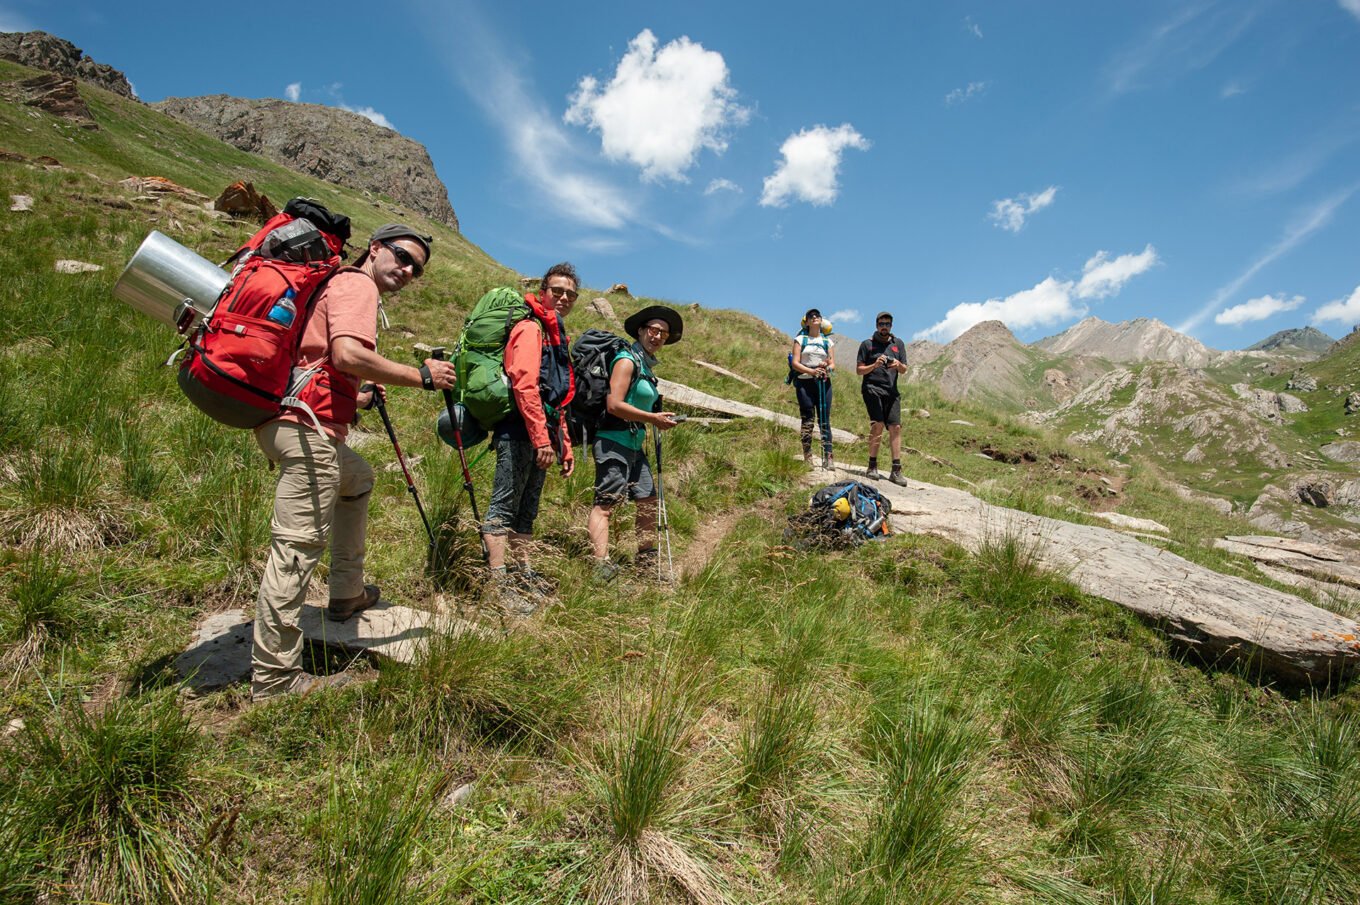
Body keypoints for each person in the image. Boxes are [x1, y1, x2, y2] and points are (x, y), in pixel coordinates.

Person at [252, 224, 456, 700]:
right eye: (403, 257)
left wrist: (360, 397)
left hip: (295, 423)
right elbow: (347, 354)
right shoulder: (357, 284)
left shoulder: (340, 284)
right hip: (307, 431)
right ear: (376, 248)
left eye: (417, 269)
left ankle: (346, 593)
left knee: (359, 478)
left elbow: (325, 359)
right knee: (296, 551)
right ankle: (275, 679)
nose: (407, 271)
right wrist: (421, 376)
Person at [481, 262, 577, 614]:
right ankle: (497, 584)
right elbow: (524, 384)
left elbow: (558, 399)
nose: (564, 297)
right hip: (519, 430)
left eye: (570, 293)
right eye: (557, 291)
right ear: (543, 292)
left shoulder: (556, 333)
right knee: (504, 504)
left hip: (543, 434)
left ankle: (521, 575)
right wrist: (540, 439)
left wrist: (561, 445)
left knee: (527, 510)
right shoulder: (530, 327)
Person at [587, 305, 683, 583]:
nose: (657, 336)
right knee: (605, 503)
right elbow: (614, 404)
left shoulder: (646, 367)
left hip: (633, 443)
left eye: (663, 334)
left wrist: (654, 418)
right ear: (641, 331)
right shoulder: (626, 360)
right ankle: (600, 566)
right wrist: (653, 418)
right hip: (612, 440)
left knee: (648, 501)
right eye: (653, 330)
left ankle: (645, 563)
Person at [856, 311, 909, 485]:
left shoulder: (898, 344)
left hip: (891, 391)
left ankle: (896, 469)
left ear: (891, 326)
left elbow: (904, 369)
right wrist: (875, 364)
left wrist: (897, 364)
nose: (884, 327)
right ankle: (872, 465)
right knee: (877, 425)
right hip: (872, 388)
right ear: (876, 325)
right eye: (881, 324)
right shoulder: (867, 344)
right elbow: (859, 370)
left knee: (896, 427)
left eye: (887, 324)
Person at [791, 308, 836, 470]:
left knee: (825, 420)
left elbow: (832, 363)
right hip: (805, 382)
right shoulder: (800, 339)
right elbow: (795, 362)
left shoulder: (827, 342)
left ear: (821, 321)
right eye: (811, 316)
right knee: (808, 419)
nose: (815, 317)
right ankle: (807, 456)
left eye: (817, 315)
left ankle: (828, 457)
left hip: (824, 382)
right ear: (807, 321)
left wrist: (826, 367)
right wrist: (811, 371)